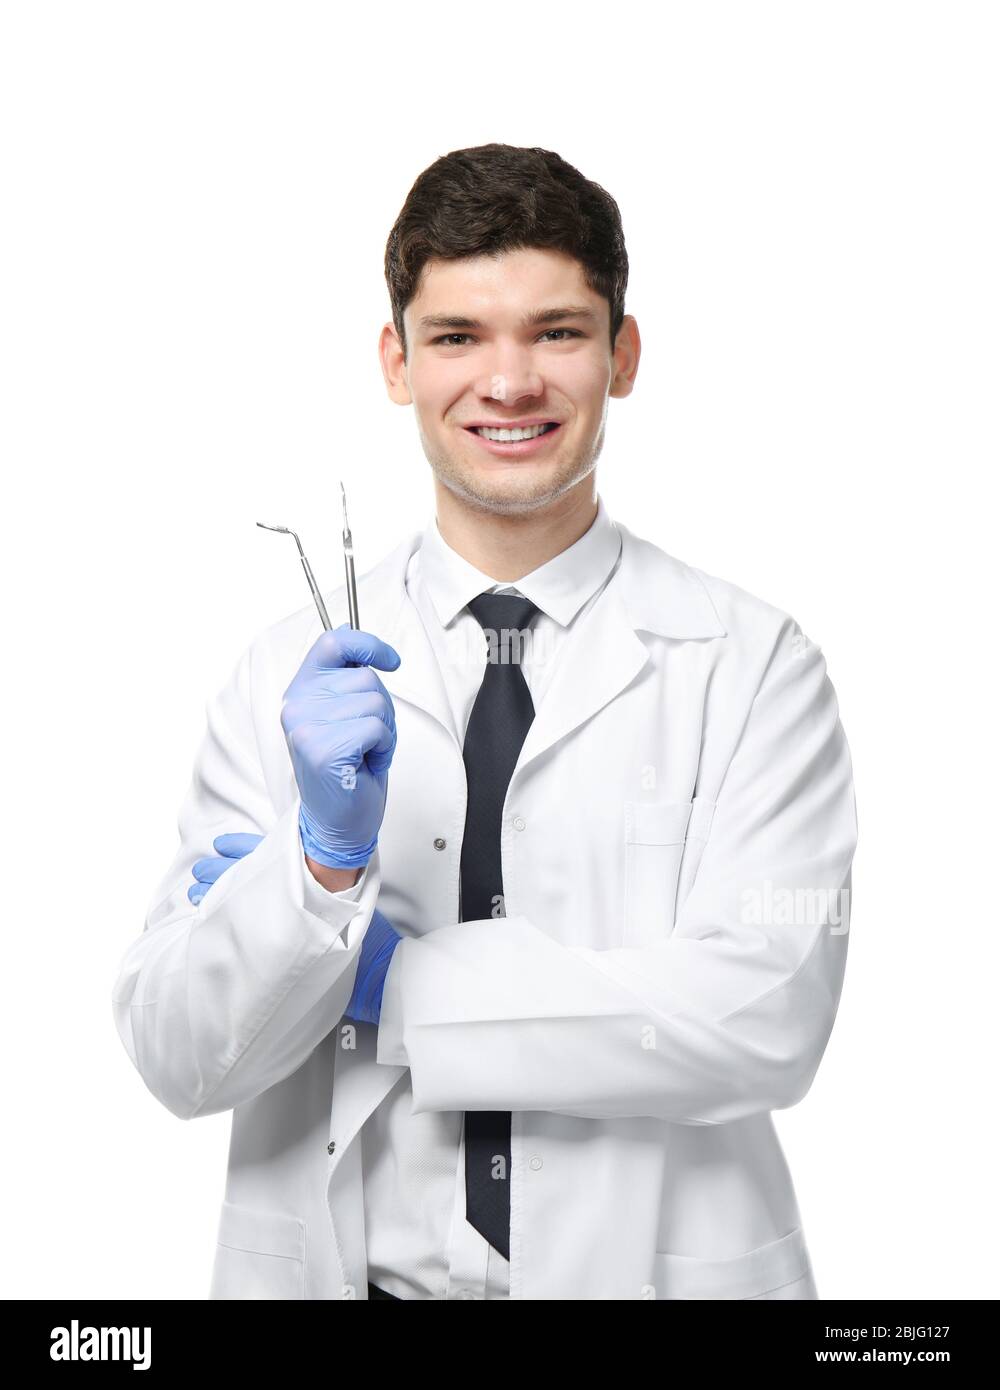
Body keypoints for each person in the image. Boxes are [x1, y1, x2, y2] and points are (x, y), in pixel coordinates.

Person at [112, 143, 857, 1301]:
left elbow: (764, 1016)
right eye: (457, 336)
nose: (507, 384)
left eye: (556, 332)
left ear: (624, 355)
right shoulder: (283, 682)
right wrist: (316, 872)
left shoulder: (754, 666)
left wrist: (390, 987)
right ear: (396, 362)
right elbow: (176, 1056)